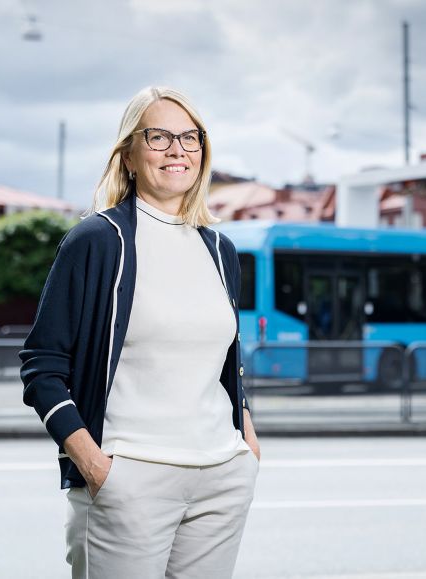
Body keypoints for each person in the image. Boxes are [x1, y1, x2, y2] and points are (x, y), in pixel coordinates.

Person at [19, 86, 260, 578]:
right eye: (159, 136)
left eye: (190, 137)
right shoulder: (97, 241)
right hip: (128, 478)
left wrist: (247, 445)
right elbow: (42, 367)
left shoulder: (220, 249)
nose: (178, 149)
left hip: (220, 475)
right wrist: (94, 465)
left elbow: (221, 363)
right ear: (129, 154)